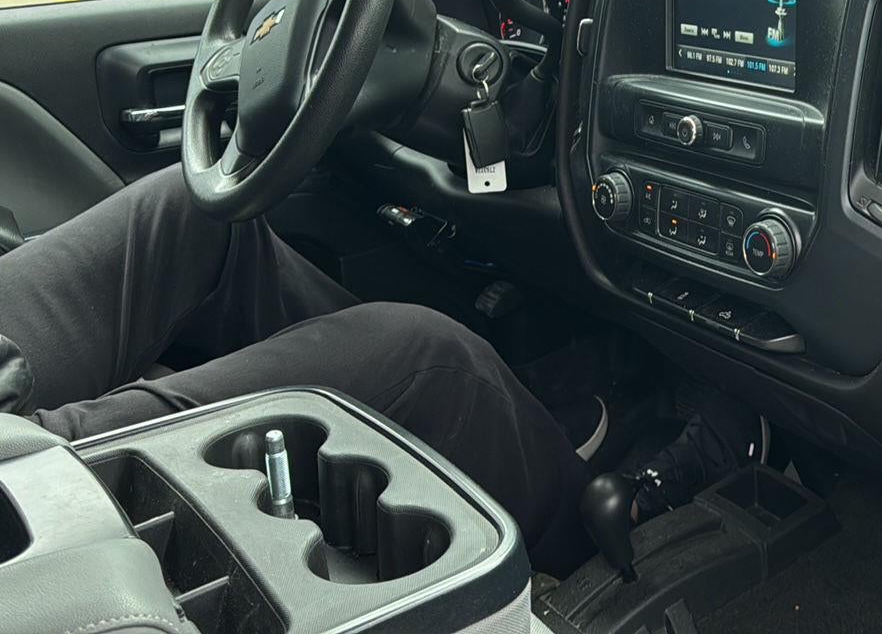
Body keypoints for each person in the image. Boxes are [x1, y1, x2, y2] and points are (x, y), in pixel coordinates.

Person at [0, 165, 764, 575]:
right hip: (18, 466)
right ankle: (589, 528)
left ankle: (490, 427)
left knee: (200, 212)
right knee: (431, 360)